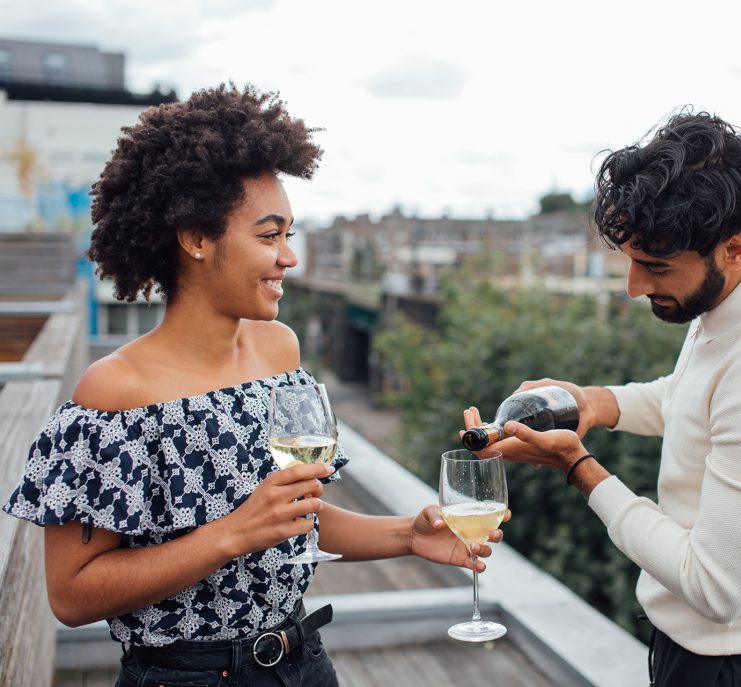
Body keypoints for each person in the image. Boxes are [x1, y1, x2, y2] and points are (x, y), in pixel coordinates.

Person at [4, 83, 506, 687]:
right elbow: (72, 594)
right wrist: (230, 534)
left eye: (288, 234)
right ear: (195, 239)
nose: (288, 258)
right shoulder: (115, 394)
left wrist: (409, 535)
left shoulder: (279, 350)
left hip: (303, 662)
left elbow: (298, 518)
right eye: (268, 236)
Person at [464, 110, 741, 687]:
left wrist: (576, 466)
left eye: (655, 267)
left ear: (733, 248)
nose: (634, 286)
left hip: (738, 667)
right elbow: (703, 398)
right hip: (718, 654)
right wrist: (598, 402)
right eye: (630, 259)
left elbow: (711, 585)